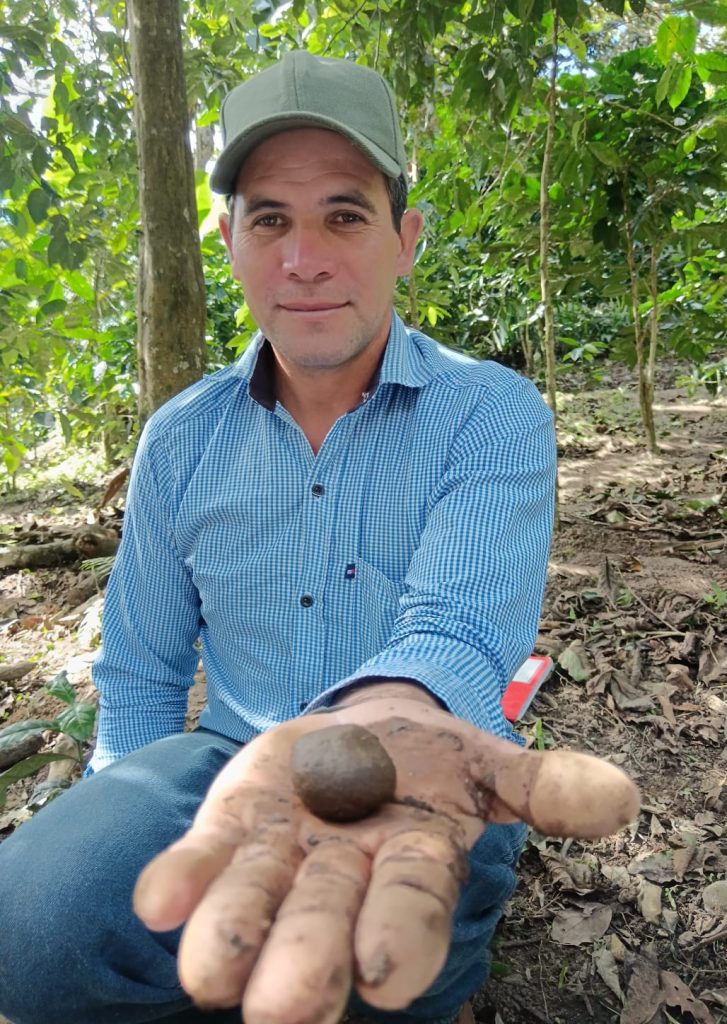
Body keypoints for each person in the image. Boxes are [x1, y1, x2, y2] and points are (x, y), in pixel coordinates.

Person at [0, 51, 594, 1024]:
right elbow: (143, 672)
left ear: (405, 239)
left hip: (433, 763)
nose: (303, 259)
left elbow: (457, 629)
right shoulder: (180, 439)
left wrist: (389, 716)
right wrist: (125, 841)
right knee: (33, 925)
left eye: (344, 216)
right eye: (270, 219)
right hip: (229, 763)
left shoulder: (490, 413)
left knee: (373, 965)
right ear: (229, 240)